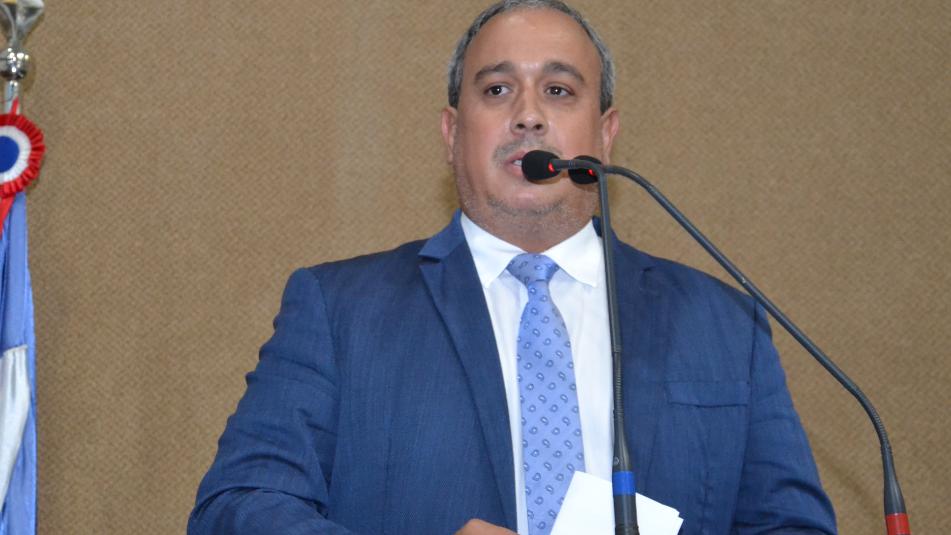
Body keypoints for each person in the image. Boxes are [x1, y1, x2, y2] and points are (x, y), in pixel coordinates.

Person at [189, 1, 837, 534]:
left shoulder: (725, 324)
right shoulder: (339, 310)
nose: (528, 115)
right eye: (497, 89)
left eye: (558, 90)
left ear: (606, 134)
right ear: (451, 134)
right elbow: (236, 508)